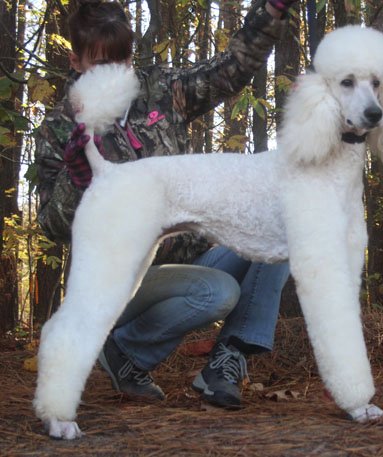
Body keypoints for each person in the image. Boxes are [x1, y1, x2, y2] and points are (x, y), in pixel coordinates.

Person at [35, 0, 294, 409]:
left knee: (284, 231)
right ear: (76, 61)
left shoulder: (161, 89)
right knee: (218, 292)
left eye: (122, 59)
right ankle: (124, 351)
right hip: (123, 279)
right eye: (101, 62)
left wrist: (271, 14)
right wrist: (76, 180)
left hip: (191, 259)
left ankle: (227, 359)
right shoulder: (59, 127)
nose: (116, 71)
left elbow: (231, 69)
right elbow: (52, 226)